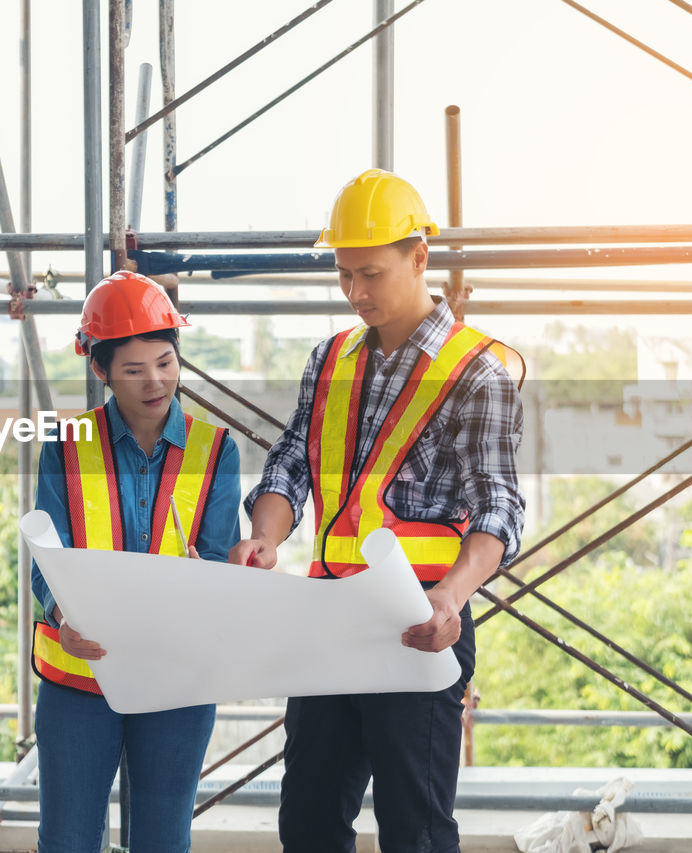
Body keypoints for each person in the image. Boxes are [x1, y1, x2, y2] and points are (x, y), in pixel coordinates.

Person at [229, 169, 525, 853]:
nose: (356, 293)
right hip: (329, 615)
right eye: (343, 275)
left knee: (414, 831)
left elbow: (500, 504)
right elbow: (290, 465)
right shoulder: (330, 358)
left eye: (371, 273)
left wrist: (451, 595)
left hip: (419, 619)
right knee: (306, 823)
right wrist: (265, 536)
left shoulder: (476, 370)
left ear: (420, 258)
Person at [30, 270, 242, 853]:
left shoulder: (216, 450)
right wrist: (60, 617)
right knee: (68, 839)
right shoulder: (66, 447)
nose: (155, 381)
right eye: (133, 368)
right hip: (79, 675)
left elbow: (222, 558)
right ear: (100, 370)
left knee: (163, 839)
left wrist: (214, 578)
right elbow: (45, 559)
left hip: (177, 677)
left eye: (166, 362)